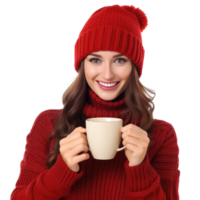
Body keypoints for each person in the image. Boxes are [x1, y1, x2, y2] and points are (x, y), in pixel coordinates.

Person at [10, 4, 180, 200]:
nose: (107, 74)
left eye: (119, 60)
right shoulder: (48, 125)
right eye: (95, 60)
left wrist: (140, 168)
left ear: (134, 67)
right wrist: (61, 172)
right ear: (82, 65)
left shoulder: (160, 135)